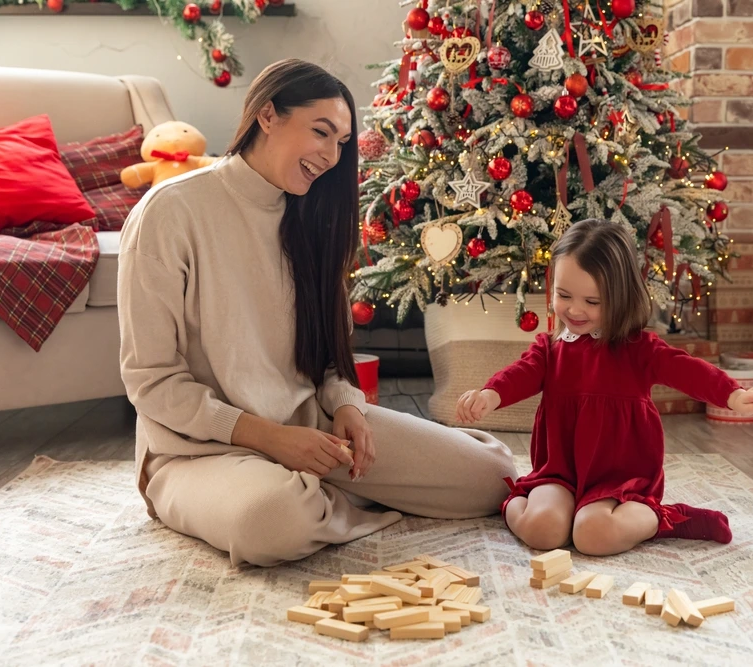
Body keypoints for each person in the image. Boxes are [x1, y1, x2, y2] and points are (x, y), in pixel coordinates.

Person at [118, 59, 516, 567]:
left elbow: (328, 357)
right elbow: (151, 381)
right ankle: (313, 498)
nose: (331, 156)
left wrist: (347, 405)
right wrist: (270, 439)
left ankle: (318, 495)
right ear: (267, 115)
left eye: (342, 142)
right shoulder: (169, 212)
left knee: (493, 476)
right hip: (196, 451)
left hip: (312, 429)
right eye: (321, 132)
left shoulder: (313, 215)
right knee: (272, 523)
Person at [455, 219, 753, 557]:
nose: (575, 310)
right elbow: (521, 373)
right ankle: (511, 499)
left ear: (620, 296)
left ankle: (669, 518)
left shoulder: (639, 349)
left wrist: (734, 394)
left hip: (620, 481)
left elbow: (688, 370)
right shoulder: (551, 349)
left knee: (594, 536)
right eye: (564, 296)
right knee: (543, 530)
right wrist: (489, 395)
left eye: (592, 302)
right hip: (560, 472)